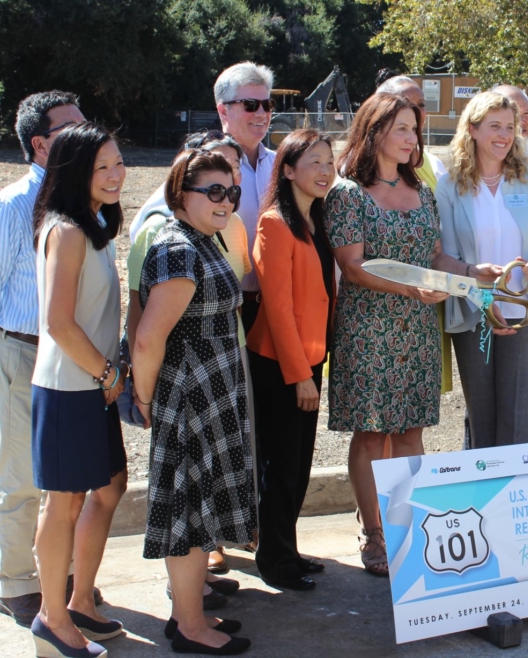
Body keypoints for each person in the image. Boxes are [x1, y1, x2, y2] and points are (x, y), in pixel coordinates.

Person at [0, 90, 92, 627]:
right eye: (71, 128)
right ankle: (18, 582)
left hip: (71, 356)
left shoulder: (83, 202)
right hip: (25, 350)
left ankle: (58, 579)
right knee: (20, 475)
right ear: (41, 144)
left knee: (64, 477)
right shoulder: (13, 204)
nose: (87, 135)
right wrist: (9, 338)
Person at [132, 150, 255, 654]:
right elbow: (147, 339)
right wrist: (144, 399)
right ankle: (188, 625)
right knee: (189, 510)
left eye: (233, 192)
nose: (226, 201)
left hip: (209, 394)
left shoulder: (203, 239)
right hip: (189, 399)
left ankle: (189, 613)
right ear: (182, 193)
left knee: (201, 510)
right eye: (214, 192)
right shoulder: (180, 248)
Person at [324, 93, 451, 576]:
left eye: (414, 130)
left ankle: (408, 524)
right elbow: (352, 267)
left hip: (417, 328)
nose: (411, 138)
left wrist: (459, 277)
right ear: (374, 131)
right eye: (401, 128)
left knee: (411, 430)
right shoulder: (348, 194)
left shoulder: (424, 191)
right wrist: (413, 287)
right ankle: (374, 531)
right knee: (374, 433)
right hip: (368, 328)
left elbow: (436, 256)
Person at [29, 122, 127, 657]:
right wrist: (108, 374)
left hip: (92, 385)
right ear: (75, 173)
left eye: (117, 162)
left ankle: (80, 601)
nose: (115, 175)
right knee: (61, 505)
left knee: (110, 488)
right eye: (102, 167)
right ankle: (51, 618)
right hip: (72, 387)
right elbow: (58, 323)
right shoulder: (65, 230)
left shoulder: (91, 224)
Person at [435, 91, 528, 448]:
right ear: (473, 129)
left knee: (518, 420)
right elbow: (442, 258)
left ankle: (514, 500)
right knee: (481, 417)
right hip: (474, 313)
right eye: (495, 126)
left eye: (510, 127)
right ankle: (485, 501)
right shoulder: (450, 185)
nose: (504, 135)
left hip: (524, 314)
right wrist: (477, 287)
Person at [246, 129, 336, 590]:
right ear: (287, 170)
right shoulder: (274, 224)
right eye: (314, 162)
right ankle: (274, 561)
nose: (325, 170)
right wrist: (299, 376)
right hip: (280, 364)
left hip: (310, 360)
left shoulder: (317, 219)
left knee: (299, 464)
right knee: (279, 466)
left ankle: (288, 549)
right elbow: (277, 308)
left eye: (329, 161)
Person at [375, 76, 454, 399]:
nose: (418, 115)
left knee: (415, 411)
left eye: (421, 106)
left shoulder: (432, 165)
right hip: (378, 309)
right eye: (408, 106)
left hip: (425, 305)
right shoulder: (353, 176)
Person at [214, 61, 276, 333]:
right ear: (223, 110)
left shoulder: (282, 166)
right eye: (250, 104)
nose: (261, 113)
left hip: (275, 308)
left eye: (267, 104)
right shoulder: (202, 168)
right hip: (223, 310)